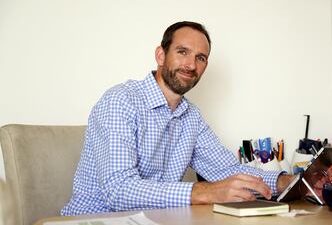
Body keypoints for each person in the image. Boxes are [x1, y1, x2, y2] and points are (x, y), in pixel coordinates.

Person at [61, 21, 313, 215]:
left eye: (200, 58)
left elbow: (226, 170)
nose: (191, 65)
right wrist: (204, 191)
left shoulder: (191, 116)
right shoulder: (120, 101)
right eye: (182, 52)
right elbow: (119, 190)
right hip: (94, 219)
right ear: (161, 55)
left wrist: (286, 182)